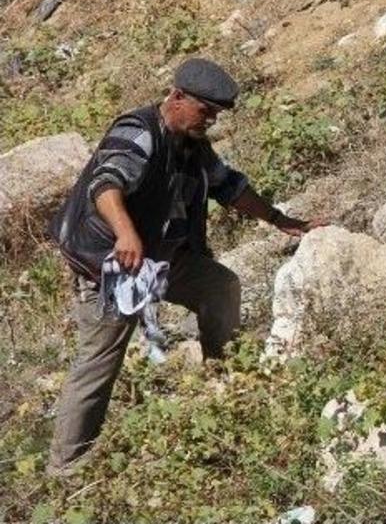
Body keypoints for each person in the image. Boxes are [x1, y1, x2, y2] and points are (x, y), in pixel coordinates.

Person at [46, 56, 317, 474]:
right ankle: (65, 469)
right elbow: (106, 185)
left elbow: (231, 188)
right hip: (109, 266)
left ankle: (222, 386)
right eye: (204, 111)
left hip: (159, 259)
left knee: (220, 287)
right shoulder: (138, 133)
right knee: (99, 363)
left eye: (215, 115)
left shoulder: (193, 147)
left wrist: (280, 220)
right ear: (176, 97)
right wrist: (125, 232)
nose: (209, 121)